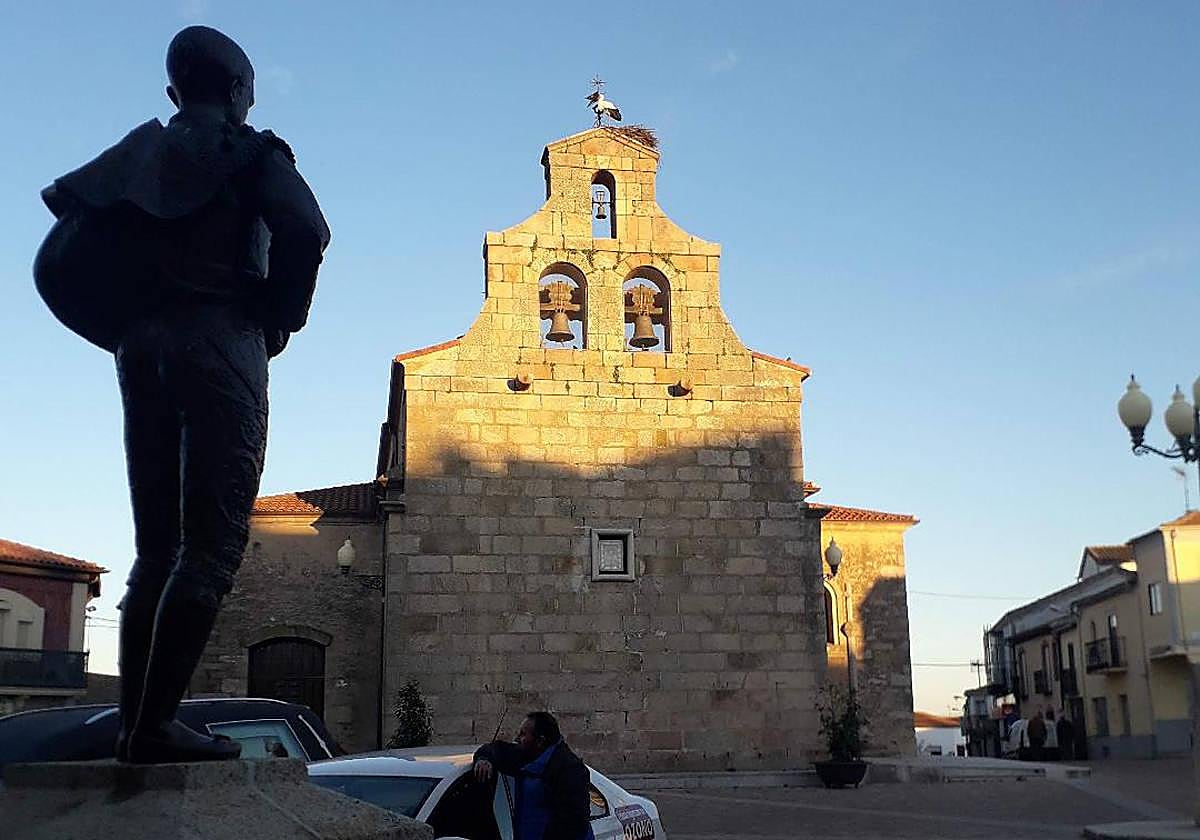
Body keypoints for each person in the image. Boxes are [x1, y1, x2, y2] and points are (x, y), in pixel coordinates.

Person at [36, 25, 329, 764]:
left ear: (175, 91)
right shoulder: (250, 153)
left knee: (155, 549)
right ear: (236, 92)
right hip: (222, 341)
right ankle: (155, 726)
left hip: (144, 352)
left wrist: (118, 328)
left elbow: (54, 265)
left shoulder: (134, 159)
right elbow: (307, 227)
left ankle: (138, 727)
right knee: (212, 544)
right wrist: (278, 316)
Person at [473, 711, 595, 840]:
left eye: (523, 734)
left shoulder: (570, 771)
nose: (517, 739)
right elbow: (497, 749)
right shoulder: (527, 755)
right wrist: (484, 759)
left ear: (540, 741)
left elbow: (572, 824)